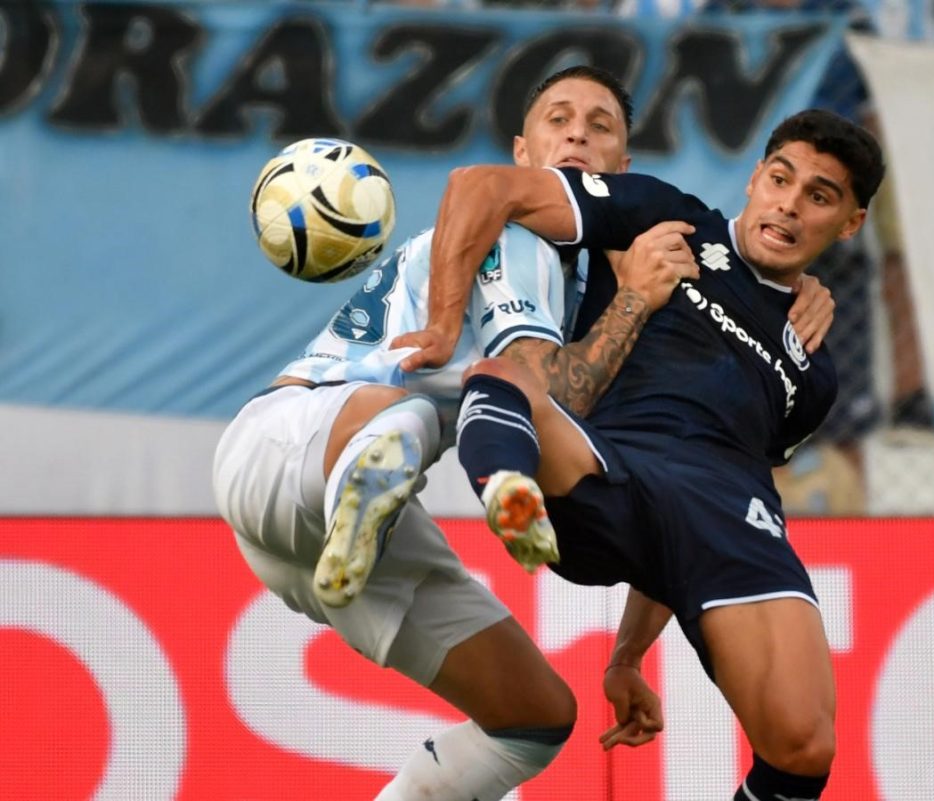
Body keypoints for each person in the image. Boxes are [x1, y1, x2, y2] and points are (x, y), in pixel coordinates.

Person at [213, 66, 836, 800]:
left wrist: (781, 299)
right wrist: (454, 321)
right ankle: (378, 458)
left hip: (337, 538)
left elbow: (683, 499)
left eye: (601, 126)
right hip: (293, 444)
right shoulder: (524, 240)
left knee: (532, 718)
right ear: (522, 152)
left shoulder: (606, 293)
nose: (578, 132)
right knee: (413, 412)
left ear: (622, 172)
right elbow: (547, 384)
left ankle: (377, 477)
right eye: (559, 118)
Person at [406, 107, 885, 800]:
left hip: (727, 510)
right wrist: (444, 322)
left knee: (804, 746)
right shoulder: (667, 218)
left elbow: (680, 538)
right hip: (609, 471)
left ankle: (515, 481)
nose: (788, 203)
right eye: (780, 178)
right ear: (753, 179)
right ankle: (510, 487)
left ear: (849, 224)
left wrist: (628, 654)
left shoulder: (813, 373)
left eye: (819, 195)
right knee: (507, 379)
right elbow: (483, 185)